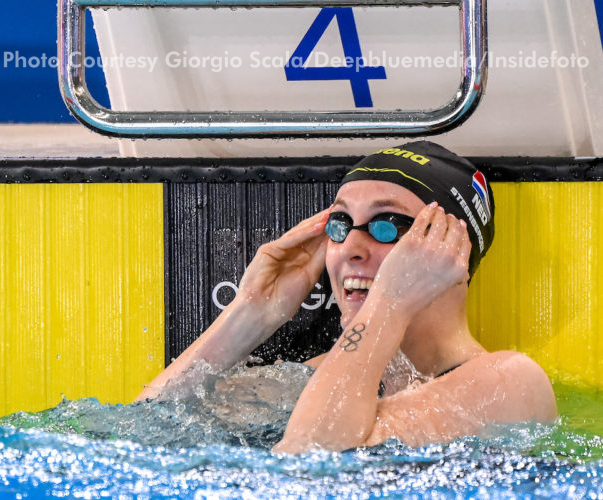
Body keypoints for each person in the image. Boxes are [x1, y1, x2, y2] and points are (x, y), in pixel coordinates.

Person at [136, 141, 557, 453]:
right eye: (341, 222)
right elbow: (146, 429)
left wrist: (389, 303)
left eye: (386, 223)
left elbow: (311, 463)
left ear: (451, 250)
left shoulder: (510, 382)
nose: (351, 246)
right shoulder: (312, 380)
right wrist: (252, 314)